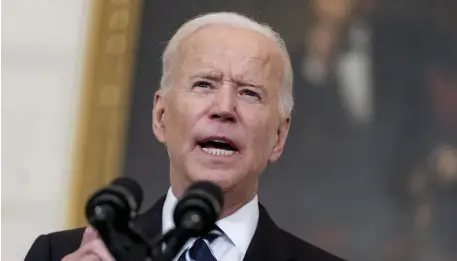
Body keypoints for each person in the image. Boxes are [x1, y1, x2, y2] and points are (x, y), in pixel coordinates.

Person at [24, 12, 345, 261]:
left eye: (249, 93)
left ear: (279, 136)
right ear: (161, 116)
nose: (224, 107)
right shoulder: (58, 254)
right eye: (204, 84)